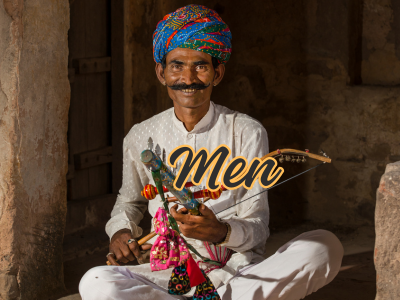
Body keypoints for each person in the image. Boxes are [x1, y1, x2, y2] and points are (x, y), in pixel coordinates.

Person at [79, 5, 343, 300]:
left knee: (323, 246)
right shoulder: (141, 135)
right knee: (96, 281)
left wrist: (220, 232)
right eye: (177, 65)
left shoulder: (246, 131)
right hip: (167, 274)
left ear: (217, 73)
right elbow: (129, 203)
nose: (188, 77)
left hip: (236, 272)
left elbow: (258, 226)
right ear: (161, 72)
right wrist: (121, 236)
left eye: (201, 66)